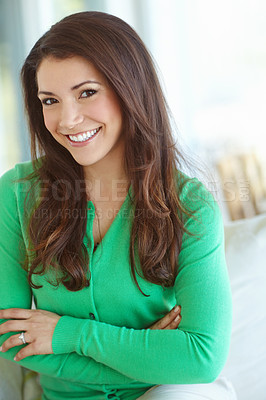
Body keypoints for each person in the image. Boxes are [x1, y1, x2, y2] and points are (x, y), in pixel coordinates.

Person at [0, 11, 236, 400]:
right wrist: (146, 350)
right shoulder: (16, 193)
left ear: (130, 88)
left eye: (87, 92)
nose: (68, 119)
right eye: (50, 100)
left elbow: (202, 357)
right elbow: (13, 335)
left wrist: (67, 334)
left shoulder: (190, 206)